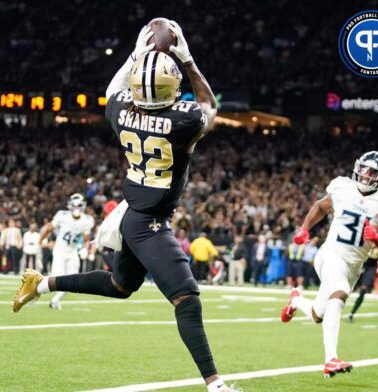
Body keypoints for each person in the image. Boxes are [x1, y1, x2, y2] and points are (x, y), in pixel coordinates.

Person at [13, 22, 236, 392]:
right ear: (172, 86)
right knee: (187, 299)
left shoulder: (119, 111)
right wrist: (187, 59)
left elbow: (112, 90)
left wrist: (135, 53)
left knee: (120, 285)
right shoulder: (182, 121)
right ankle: (215, 384)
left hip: (133, 212)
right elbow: (210, 104)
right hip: (147, 221)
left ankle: (42, 284)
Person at [281, 151, 378, 378]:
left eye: (372, 172)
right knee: (340, 293)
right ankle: (331, 360)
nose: (366, 175)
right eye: (364, 169)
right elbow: (320, 206)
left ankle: (296, 300)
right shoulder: (341, 187)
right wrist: (304, 228)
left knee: (319, 314)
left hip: (353, 266)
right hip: (330, 254)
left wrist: (376, 239)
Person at [36, 193, 94, 309]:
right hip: (60, 250)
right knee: (57, 278)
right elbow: (48, 228)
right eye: (75, 205)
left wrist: (85, 248)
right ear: (70, 205)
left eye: (79, 205)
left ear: (83, 206)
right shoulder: (62, 215)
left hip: (72, 252)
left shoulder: (87, 220)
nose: (76, 208)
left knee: (72, 281)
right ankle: (33, 288)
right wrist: (40, 241)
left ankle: (55, 301)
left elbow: (86, 238)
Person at [347, 249, 378, 322]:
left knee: (363, 290)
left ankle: (351, 314)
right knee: (347, 288)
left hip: (371, 268)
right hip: (360, 265)